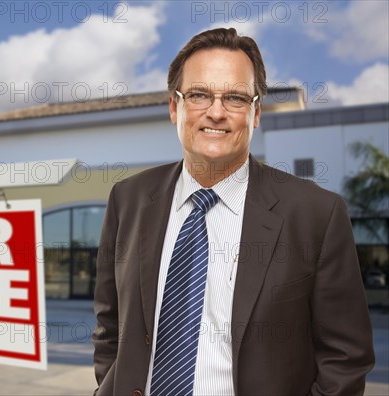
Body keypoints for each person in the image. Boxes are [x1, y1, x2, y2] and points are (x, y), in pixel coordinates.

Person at [92, 27, 374, 396]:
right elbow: (109, 327)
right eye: (198, 95)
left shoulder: (316, 214)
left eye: (236, 98)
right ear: (174, 107)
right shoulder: (127, 199)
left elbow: (345, 357)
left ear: (256, 113)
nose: (216, 112)